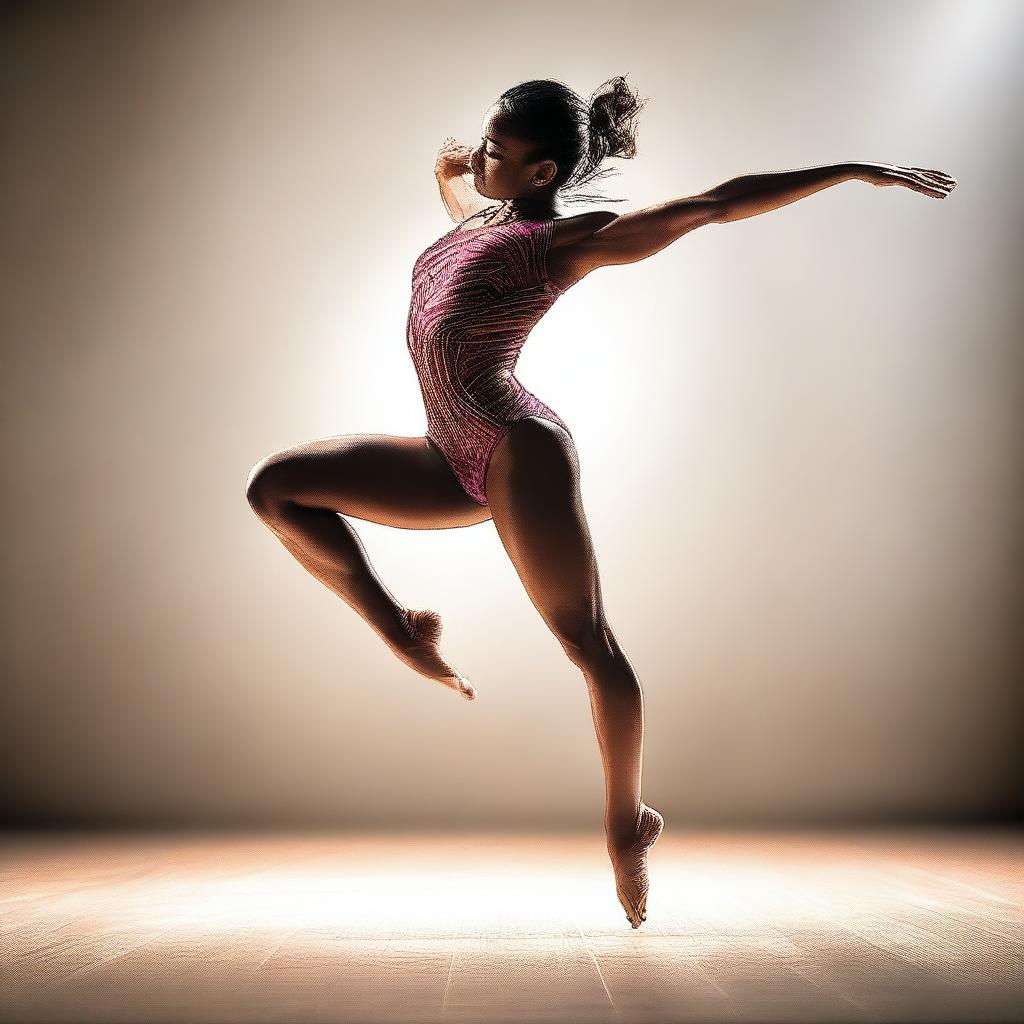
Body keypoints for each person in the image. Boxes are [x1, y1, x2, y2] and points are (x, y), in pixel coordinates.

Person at [245, 75, 957, 928]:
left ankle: (627, 825)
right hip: (445, 451)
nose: (479, 162)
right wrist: (462, 163)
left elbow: (712, 205)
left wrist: (848, 169)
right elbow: (456, 201)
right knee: (277, 487)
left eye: (498, 154)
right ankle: (404, 632)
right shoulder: (482, 214)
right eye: (483, 145)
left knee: (589, 645)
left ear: (543, 172)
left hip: (516, 447)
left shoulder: (560, 244)